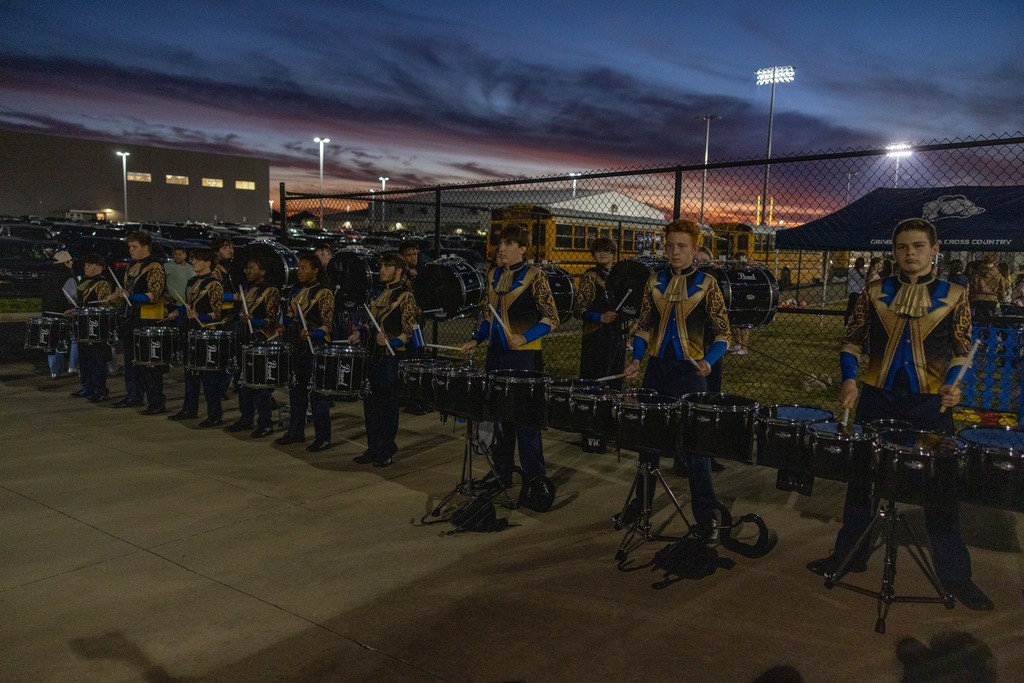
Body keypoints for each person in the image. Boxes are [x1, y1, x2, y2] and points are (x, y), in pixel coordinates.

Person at [808, 218, 992, 611]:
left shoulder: (955, 294)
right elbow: (851, 342)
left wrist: (956, 385)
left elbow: (962, 350)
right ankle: (849, 556)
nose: (910, 252)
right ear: (894, 252)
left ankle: (957, 576)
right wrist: (848, 380)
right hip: (876, 398)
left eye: (918, 246)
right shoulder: (874, 292)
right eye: (903, 246)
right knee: (863, 481)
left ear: (934, 250)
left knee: (939, 490)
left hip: (930, 405)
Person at [622, 219, 731, 535]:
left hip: (690, 373)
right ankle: (640, 504)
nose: (674, 252)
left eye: (682, 246)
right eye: (669, 245)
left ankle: (706, 513)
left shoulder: (708, 284)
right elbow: (643, 325)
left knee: (697, 448)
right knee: (648, 443)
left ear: (695, 249)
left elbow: (724, 333)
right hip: (657, 370)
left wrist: (709, 361)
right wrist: (637, 358)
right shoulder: (654, 281)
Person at [460, 224, 559, 505]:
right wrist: (476, 340)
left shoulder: (535, 276)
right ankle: (501, 472)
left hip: (525, 357)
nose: (501, 248)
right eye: (500, 243)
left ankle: (535, 479)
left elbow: (552, 319)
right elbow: (490, 318)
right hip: (496, 355)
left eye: (508, 243)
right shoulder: (493, 275)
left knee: (525, 421)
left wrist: (525, 337)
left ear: (523, 249)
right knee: (499, 418)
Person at [350, 252, 419, 467]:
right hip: (373, 355)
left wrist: (389, 342)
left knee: (388, 405)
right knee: (370, 403)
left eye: (387, 267)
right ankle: (373, 447)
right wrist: (359, 333)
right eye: (382, 266)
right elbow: (370, 323)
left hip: (391, 358)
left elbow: (407, 333)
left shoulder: (406, 296)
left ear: (399, 271)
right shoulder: (378, 294)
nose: (381, 270)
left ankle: (387, 449)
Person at [274, 253, 335, 451]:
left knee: (317, 393)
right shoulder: (296, 290)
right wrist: (285, 327)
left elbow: (328, 325)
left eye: (303, 268)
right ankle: (295, 431)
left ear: (315, 270)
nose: (299, 272)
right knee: (296, 389)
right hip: (297, 346)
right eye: (298, 268)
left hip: (315, 348)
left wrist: (313, 333)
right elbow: (291, 316)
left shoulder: (325, 292)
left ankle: (323, 437)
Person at [573, 236, 625, 452]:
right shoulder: (590, 277)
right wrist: (599, 317)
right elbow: (578, 309)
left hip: (618, 336)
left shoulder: (620, 276)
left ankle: (611, 427)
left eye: (606, 251)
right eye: (598, 251)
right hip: (596, 337)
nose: (602, 255)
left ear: (614, 253)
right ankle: (592, 427)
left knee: (615, 383)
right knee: (596, 382)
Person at [107, 231, 166, 414]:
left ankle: (156, 402)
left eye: (134, 247)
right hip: (131, 318)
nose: (131, 250)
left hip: (148, 320)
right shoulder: (132, 267)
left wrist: (130, 295)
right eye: (129, 247)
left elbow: (154, 295)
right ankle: (134, 395)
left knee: (149, 363)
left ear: (146, 247)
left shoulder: (155, 266)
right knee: (131, 361)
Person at [166, 249, 226, 427]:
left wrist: (200, 315)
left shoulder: (215, 284)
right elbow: (188, 305)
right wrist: (179, 311)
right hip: (191, 332)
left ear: (208, 263)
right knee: (190, 372)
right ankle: (189, 409)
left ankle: (215, 414)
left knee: (209, 378)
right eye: (193, 259)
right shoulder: (192, 281)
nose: (194, 262)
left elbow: (217, 312)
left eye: (198, 260)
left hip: (208, 334)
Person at [226, 256, 281, 438]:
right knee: (242, 381)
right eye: (247, 269)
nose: (248, 272)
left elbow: (271, 320)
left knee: (259, 384)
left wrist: (254, 320)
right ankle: (246, 418)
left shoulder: (271, 291)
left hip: (260, 340)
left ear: (263, 271)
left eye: (252, 268)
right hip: (243, 338)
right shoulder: (248, 289)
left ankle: (265, 423)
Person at [71, 254, 113, 402]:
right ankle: (87, 387)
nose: (86, 267)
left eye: (89, 265)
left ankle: (100, 390)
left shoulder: (102, 284)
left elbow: (105, 306)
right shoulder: (85, 283)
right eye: (85, 265)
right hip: (83, 326)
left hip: (96, 328)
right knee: (84, 360)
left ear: (100, 267)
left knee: (97, 360)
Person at [397, 238, 427, 415]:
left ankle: (412, 398)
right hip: (406, 324)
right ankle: (410, 399)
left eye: (415, 254)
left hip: (417, 323)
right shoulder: (402, 276)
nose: (413, 257)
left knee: (416, 357)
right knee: (411, 359)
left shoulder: (419, 272)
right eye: (408, 254)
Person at [41, 250, 78, 378]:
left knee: (52, 341)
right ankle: (73, 366)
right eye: (70, 260)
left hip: (47, 311)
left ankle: (54, 371)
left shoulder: (48, 275)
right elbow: (72, 297)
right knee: (75, 338)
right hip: (63, 312)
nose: (72, 262)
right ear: (65, 263)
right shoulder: (67, 276)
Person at [967, 252, 1009, 322]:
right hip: (992, 299)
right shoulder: (998, 274)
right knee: (989, 320)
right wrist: (1000, 298)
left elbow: (971, 286)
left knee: (976, 320)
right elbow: (1002, 288)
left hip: (977, 299)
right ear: (994, 261)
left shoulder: (976, 273)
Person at [845, 256, 867, 324]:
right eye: (860, 263)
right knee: (851, 309)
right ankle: (846, 323)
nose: (861, 264)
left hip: (860, 292)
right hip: (854, 292)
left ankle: (855, 322)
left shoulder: (862, 271)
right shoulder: (853, 272)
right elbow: (862, 281)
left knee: (857, 309)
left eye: (862, 263)